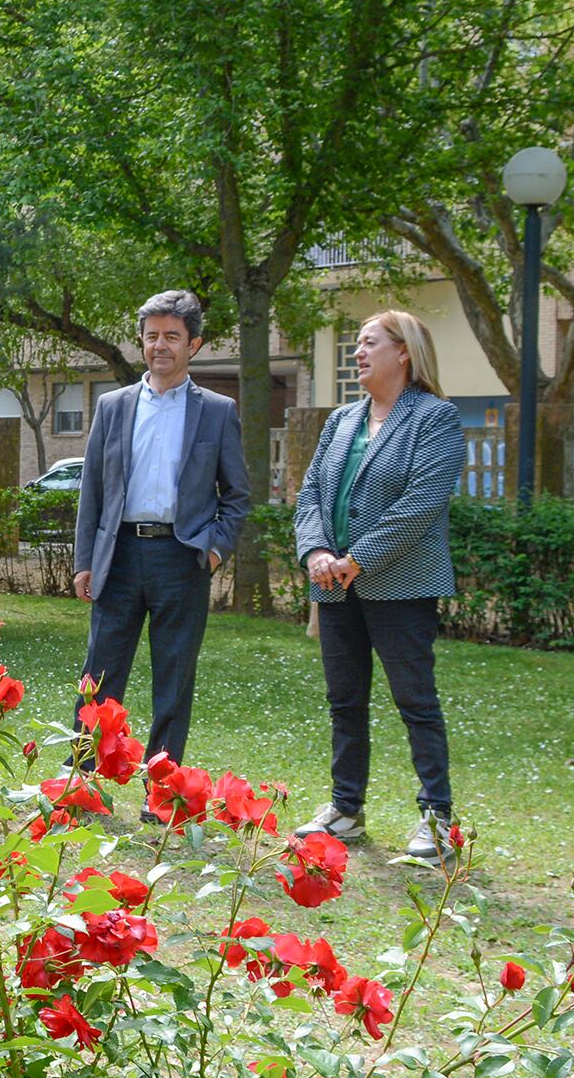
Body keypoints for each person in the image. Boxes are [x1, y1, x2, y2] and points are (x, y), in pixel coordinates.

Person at [291, 310, 468, 861]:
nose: (358, 353)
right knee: (344, 701)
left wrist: (357, 560)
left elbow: (420, 506)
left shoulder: (435, 418)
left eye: (370, 343)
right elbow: (311, 495)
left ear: (405, 352)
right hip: (335, 585)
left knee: (416, 702)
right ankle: (346, 808)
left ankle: (436, 818)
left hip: (401, 587)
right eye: (357, 344)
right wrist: (317, 551)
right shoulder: (341, 420)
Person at [72, 289, 250, 770]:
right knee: (100, 674)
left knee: (173, 679)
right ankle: (81, 784)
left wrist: (213, 550)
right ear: (141, 342)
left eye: (172, 336)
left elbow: (237, 496)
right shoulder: (113, 406)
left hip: (182, 557)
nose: (160, 346)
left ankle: (163, 785)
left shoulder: (217, 411)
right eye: (152, 337)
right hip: (120, 556)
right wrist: (84, 560)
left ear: (194, 344)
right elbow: (93, 489)